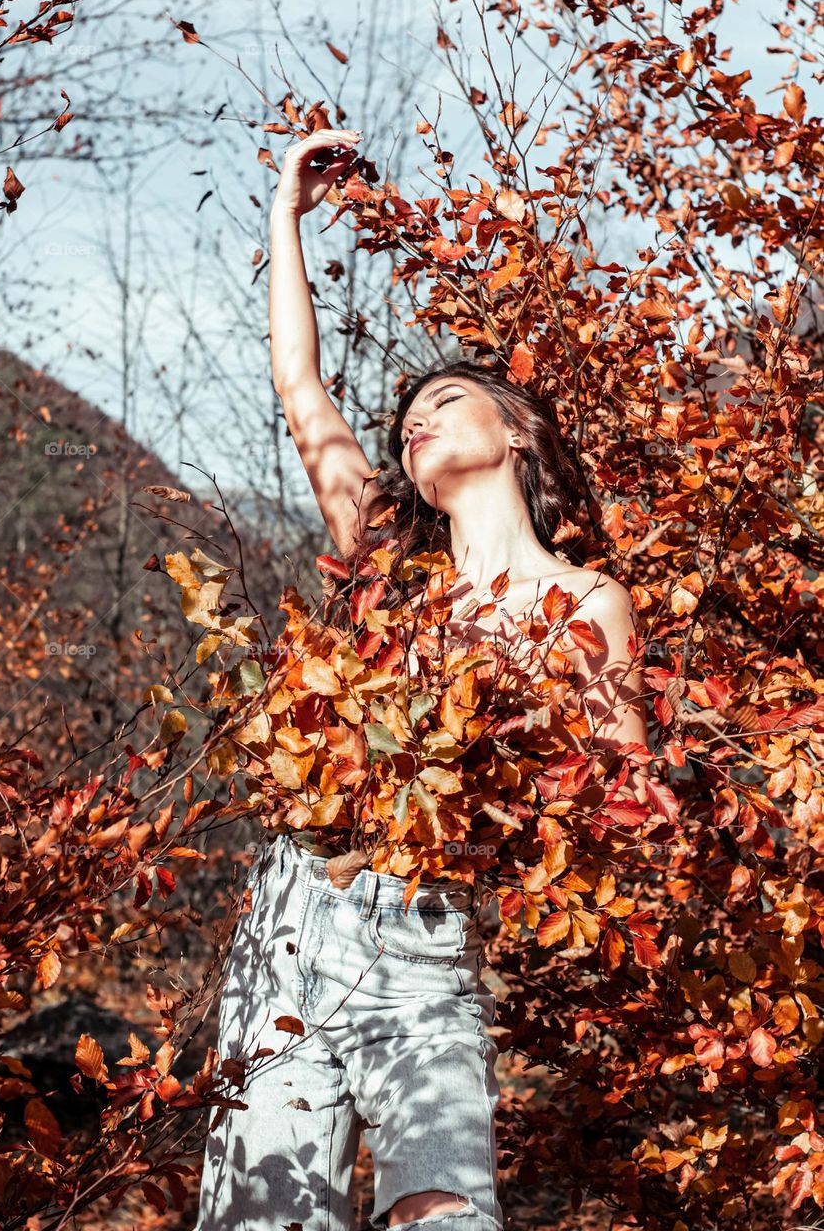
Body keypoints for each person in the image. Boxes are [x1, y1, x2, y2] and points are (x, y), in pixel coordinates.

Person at [194, 129, 649, 1231]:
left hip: (428, 937)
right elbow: (301, 387)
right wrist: (284, 219)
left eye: (447, 397)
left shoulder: (587, 602)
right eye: (409, 414)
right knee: (266, 1216)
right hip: (295, 928)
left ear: (517, 431)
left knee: (442, 1211)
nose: (416, 416)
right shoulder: (388, 562)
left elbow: (619, 793)